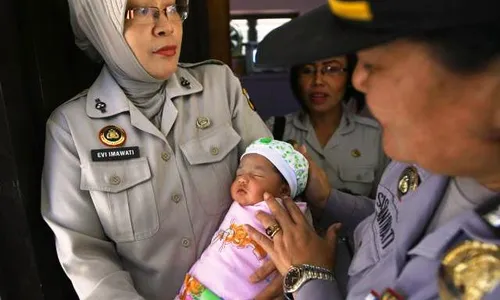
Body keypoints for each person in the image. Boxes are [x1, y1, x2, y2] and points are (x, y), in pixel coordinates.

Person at [245, 0, 500, 299]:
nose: (358, 80)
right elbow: (384, 229)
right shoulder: (423, 159)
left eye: (376, 64)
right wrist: (328, 201)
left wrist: (309, 278)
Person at [40, 0, 272, 299]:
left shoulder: (219, 87)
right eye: (140, 11)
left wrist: (286, 267)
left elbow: (274, 183)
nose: (166, 26)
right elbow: (85, 255)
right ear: (102, 24)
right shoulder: (71, 129)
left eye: (172, 8)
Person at [266, 55, 389, 295]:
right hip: (290, 267)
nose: (318, 81)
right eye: (307, 70)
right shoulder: (276, 129)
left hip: (361, 263)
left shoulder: (375, 135)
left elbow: (388, 209)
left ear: (350, 77)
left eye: (331, 69)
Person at [177, 138, 310, 300]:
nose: (242, 179)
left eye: (257, 175)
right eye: (239, 173)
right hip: (196, 286)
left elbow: (300, 246)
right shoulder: (241, 204)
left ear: (284, 190)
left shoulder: (286, 214)